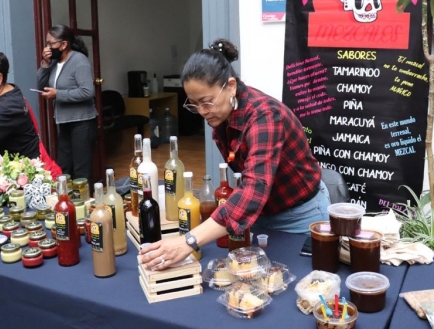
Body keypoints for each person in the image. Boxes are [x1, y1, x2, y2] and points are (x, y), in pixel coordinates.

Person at [140, 38, 330, 270]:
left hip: (300, 216)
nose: (202, 111)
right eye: (194, 104)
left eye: (207, 102)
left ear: (230, 86)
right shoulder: (223, 113)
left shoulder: (265, 117)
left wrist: (189, 240)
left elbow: (254, 188)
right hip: (260, 214)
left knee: (302, 277)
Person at [36, 25, 97, 188]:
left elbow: (87, 91)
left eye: (51, 44)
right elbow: (42, 85)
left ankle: (85, 201)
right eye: (47, 43)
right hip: (64, 122)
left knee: (81, 170)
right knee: (63, 167)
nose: (47, 48)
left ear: (63, 44)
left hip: (82, 122)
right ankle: (65, 200)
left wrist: (58, 94)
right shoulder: (54, 62)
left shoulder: (79, 61)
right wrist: (45, 64)